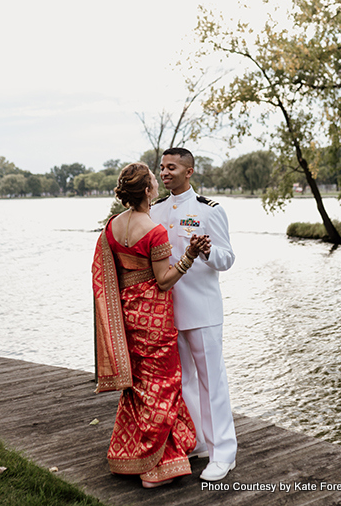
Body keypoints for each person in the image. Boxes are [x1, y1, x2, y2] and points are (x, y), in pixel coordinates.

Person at [92, 162, 209, 488]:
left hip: (128, 316)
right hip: (155, 320)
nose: (158, 183)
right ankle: (155, 468)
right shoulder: (154, 230)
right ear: (146, 190)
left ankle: (130, 455)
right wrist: (189, 256)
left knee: (139, 388)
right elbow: (164, 280)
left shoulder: (112, 227)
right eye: (154, 180)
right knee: (163, 387)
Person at [150, 148, 237, 482]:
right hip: (169, 310)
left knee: (211, 382)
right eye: (162, 168)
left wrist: (208, 251)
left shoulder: (209, 210)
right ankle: (199, 441)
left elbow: (227, 258)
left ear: (189, 171)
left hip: (202, 309)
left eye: (172, 167)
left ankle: (223, 453)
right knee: (185, 382)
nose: (165, 172)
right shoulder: (156, 210)